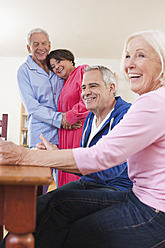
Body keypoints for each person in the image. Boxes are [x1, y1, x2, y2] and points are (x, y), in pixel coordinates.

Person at [1, 29, 165, 248]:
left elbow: (103, 158)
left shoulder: (148, 104)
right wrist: (53, 154)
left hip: (146, 205)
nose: (130, 63)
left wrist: (23, 155)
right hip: (134, 194)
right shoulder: (91, 118)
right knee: (53, 204)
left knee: (72, 230)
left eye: (141, 55)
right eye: (127, 56)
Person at [37, 65, 132, 191]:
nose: (86, 92)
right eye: (83, 87)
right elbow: (86, 155)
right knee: (40, 202)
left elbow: (109, 170)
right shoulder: (90, 118)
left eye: (93, 86)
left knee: (47, 206)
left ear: (111, 87)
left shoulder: (126, 115)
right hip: (90, 184)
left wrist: (54, 157)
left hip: (115, 189)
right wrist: (56, 152)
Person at [46, 49, 89, 187]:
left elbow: (88, 99)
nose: (56, 67)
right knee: (64, 173)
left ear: (70, 60)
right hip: (66, 134)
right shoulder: (64, 83)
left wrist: (68, 118)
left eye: (59, 61)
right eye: (53, 66)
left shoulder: (82, 71)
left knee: (74, 170)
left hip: (78, 131)